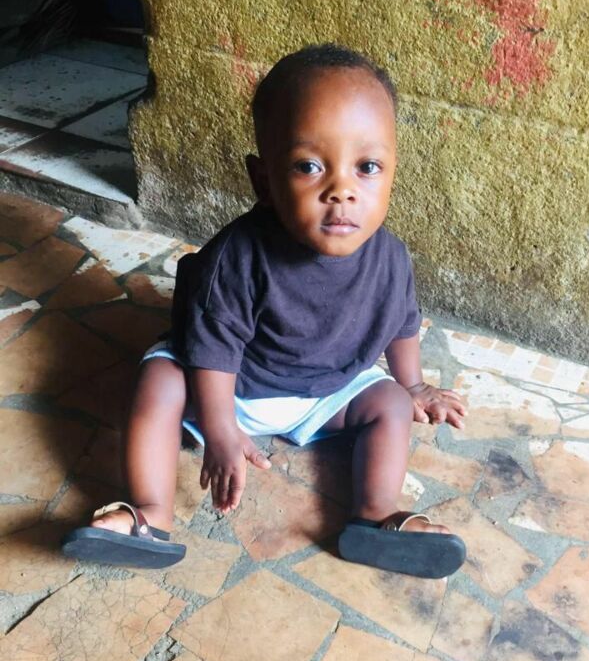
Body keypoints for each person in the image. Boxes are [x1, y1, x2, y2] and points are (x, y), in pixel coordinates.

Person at [63, 44, 467, 578]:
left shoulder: (390, 257)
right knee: (160, 380)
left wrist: (413, 384)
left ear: (392, 173)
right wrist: (220, 427)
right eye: (308, 166)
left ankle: (375, 516)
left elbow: (401, 321)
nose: (342, 190)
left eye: (367, 167)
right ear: (264, 181)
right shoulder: (236, 257)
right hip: (231, 387)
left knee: (391, 403)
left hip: (323, 392)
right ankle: (149, 513)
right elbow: (212, 349)